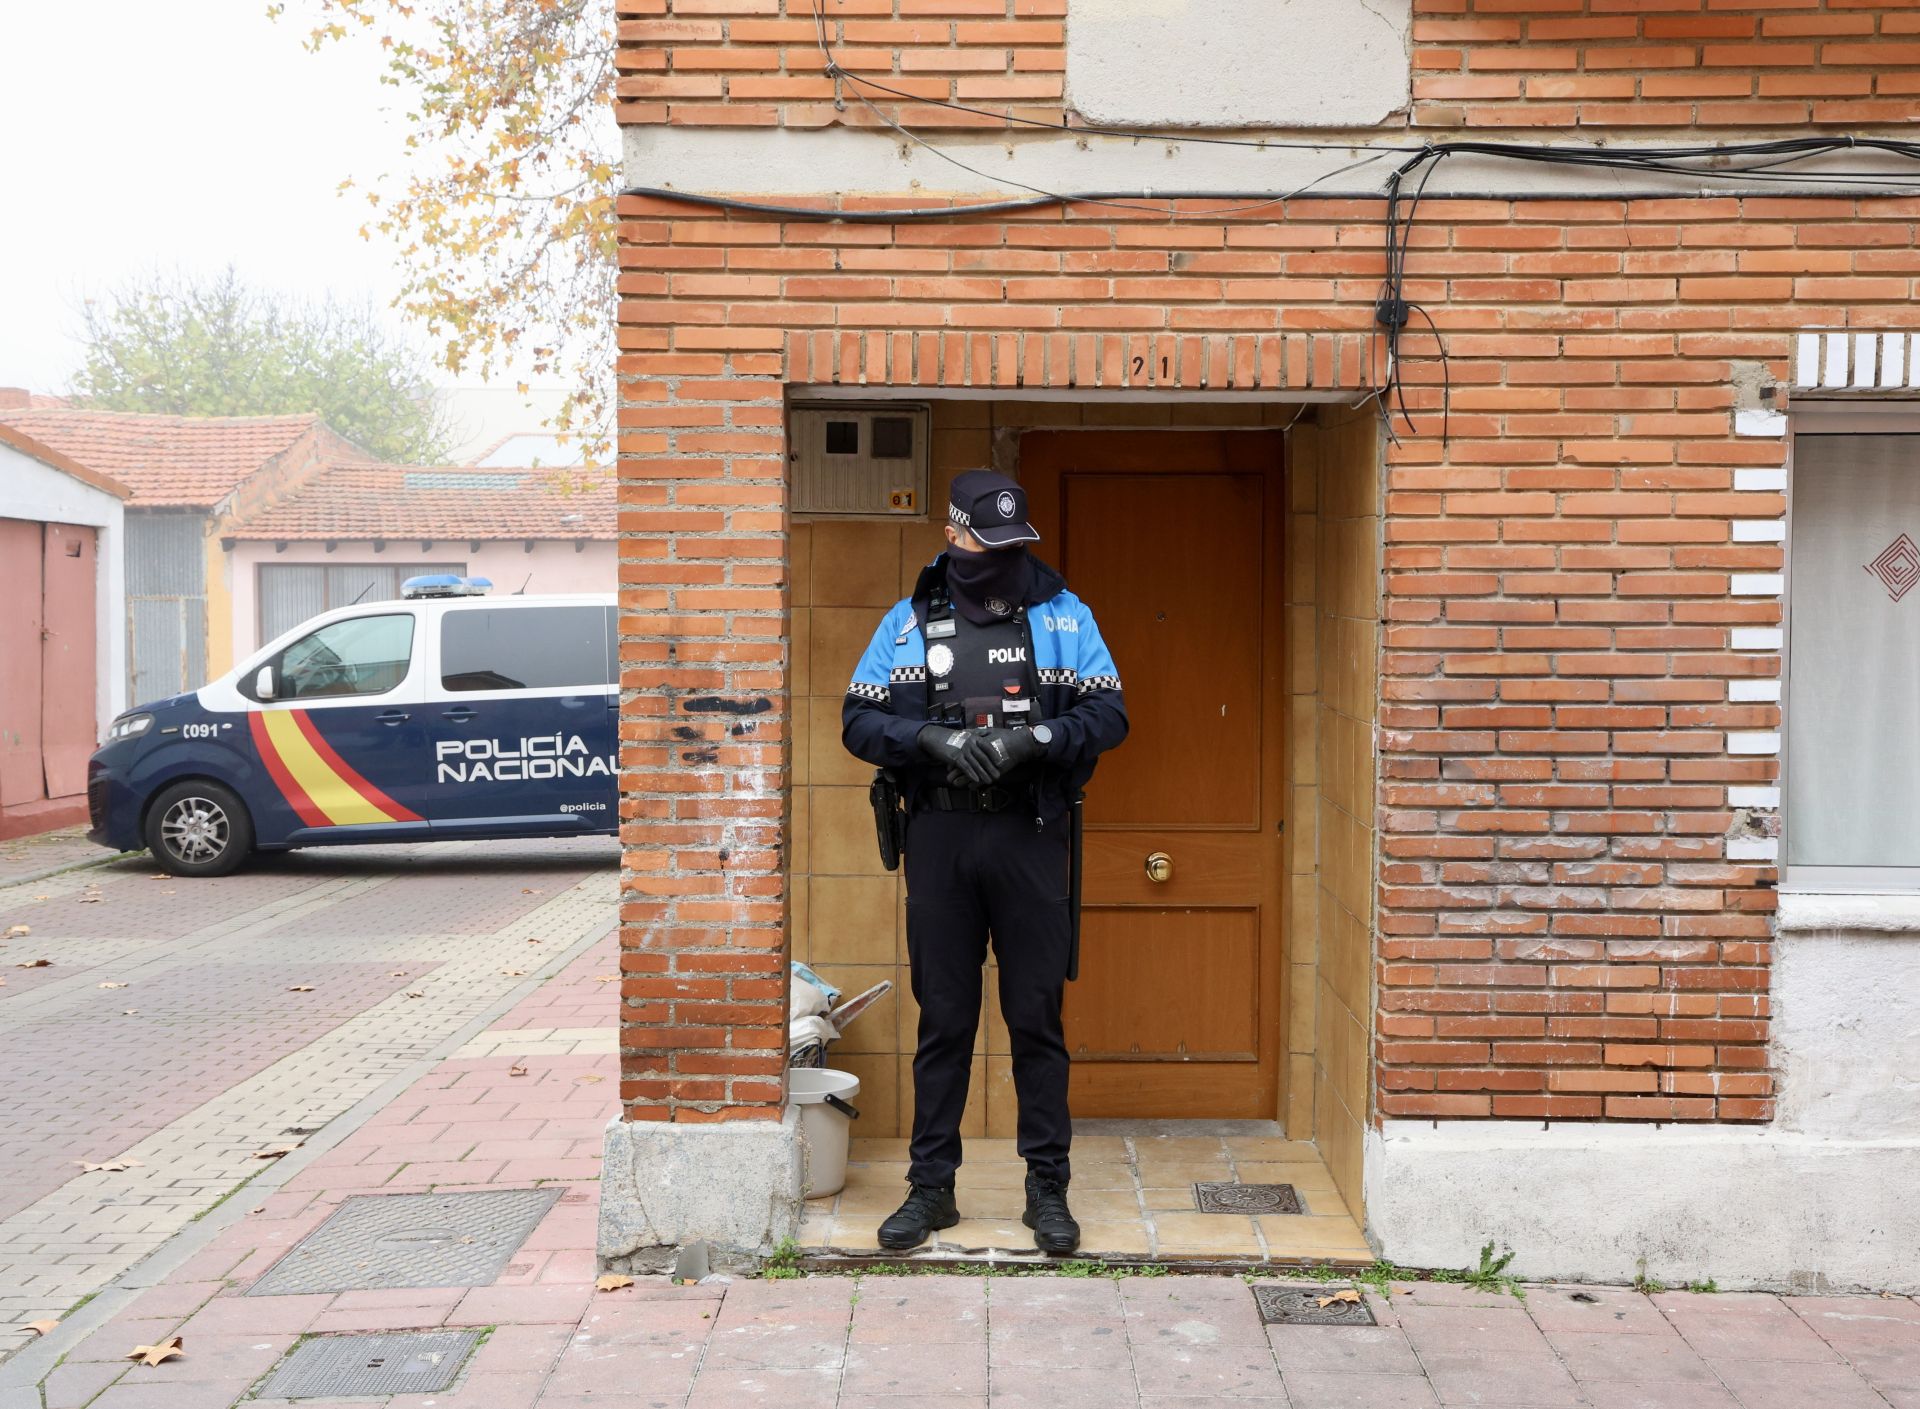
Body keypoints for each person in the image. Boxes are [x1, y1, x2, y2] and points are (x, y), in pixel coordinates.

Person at [841, 468, 1128, 1253]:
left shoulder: (1066, 617)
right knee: (944, 1021)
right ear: (953, 535)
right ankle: (931, 1189)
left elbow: (1110, 711)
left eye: (1012, 546)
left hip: (1029, 834)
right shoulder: (906, 624)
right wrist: (930, 739)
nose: (996, 558)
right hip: (939, 838)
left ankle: (1048, 1190)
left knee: (1036, 1019)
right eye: (983, 542)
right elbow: (857, 719)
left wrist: (1032, 739)